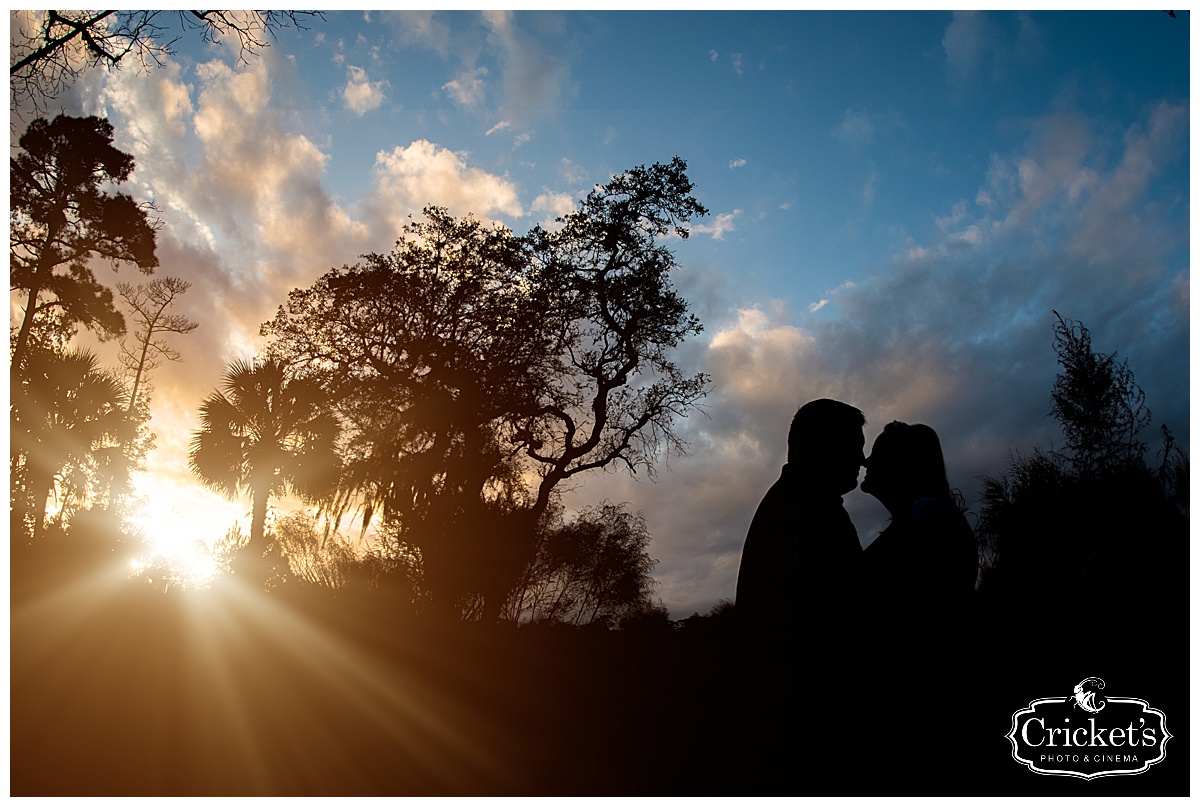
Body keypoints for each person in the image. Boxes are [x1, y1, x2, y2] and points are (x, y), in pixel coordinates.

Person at [733, 398, 866, 792]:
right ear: (825, 447)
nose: (862, 459)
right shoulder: (810, 512)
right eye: (854, 445)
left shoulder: (799, 502)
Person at [859, 421, 976, 637]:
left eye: (878, 454)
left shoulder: (929, 515)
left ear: (901, 465)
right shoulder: (927, 515)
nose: (866, 461)